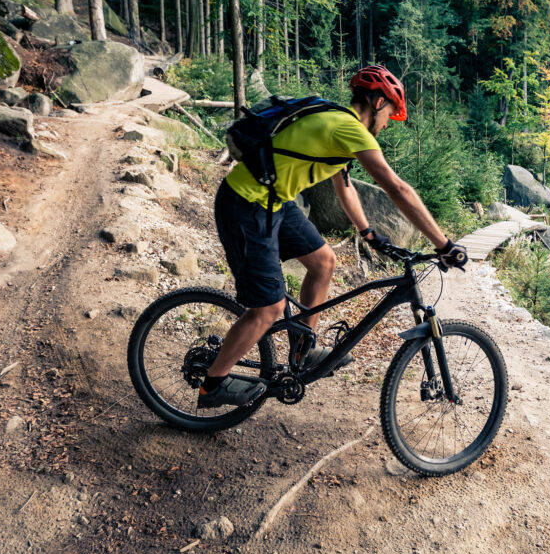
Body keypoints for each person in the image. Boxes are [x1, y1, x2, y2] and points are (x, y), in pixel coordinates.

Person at [201, 66, 468, 408]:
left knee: (324, 261)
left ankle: (303, 349)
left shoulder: (339, 123)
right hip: (246, 204)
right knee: (269, 308)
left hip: (274, 201)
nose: (388, 123)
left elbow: (344, 186)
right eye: (389, 114)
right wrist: (443, 244)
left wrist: (368, 232)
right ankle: (213, 383)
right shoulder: (347, 127)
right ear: (377, 101)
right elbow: (396, 187)